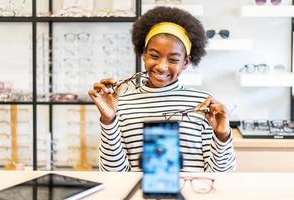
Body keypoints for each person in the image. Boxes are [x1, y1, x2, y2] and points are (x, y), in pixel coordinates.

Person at [88, 6, 236, 172]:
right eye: (154, 56)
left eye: (173, 59)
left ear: (185, 62)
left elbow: (222, 175)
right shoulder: (120, 104)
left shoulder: (204, 105)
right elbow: (113, 174)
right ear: (143, 54)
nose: (162, 67)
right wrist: (108, 121)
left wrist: (222, 136)